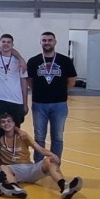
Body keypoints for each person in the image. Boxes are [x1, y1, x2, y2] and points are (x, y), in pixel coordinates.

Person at [0, 113, 83, 199]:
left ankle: (64, 186)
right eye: (3, 122)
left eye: (9, 121)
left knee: (49, 160)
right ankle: (14, 188)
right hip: (13, 170)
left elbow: (39, 148)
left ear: (14, 123)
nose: (6, 123)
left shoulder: (23, 136)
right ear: (0, 125)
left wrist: (52, 155)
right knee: (3, 167)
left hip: (29, 168)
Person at [27, 32, 77, 161]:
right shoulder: (33, 61)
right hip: (39, 104)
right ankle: (38, 166)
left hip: (59, 104)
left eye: (50, 40)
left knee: (57, 138)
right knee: (39, 138)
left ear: (55, 42)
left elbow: (71, 81)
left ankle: (55, 165)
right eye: (44, 40)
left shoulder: (65, 61)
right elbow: (30, 81)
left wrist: (59, 91)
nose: (47, 43)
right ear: (40, 42)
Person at [0, 34, 28, 126]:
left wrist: (25, 104)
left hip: (16, 100)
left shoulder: (20, 62)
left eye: (9, 42)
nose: (6, 44)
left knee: (15, 129)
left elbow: (24, 82)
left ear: (12, 45)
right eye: (3, 42)